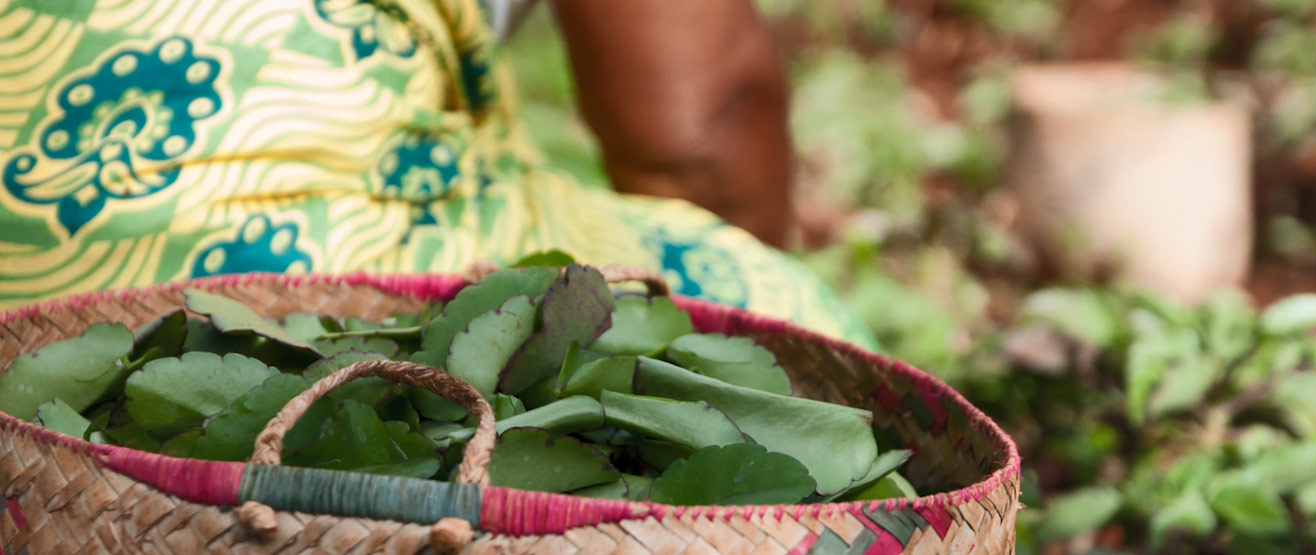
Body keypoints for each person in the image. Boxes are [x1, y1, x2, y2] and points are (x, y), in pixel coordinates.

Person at [0, 0, 875, 346]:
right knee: (796, 338)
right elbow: (697, 129)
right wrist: (736, 340)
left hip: (28, 279)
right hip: (257, 279)